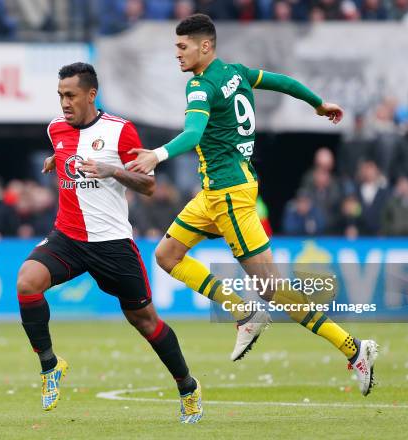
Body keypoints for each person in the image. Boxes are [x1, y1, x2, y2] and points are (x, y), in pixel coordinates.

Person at [129, 14, 378, 396]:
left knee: (272, 288)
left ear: (205, 46)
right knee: (166, 255)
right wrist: (318, 103)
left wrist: (157, 155)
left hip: (230, 197)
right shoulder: (236, 72)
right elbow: (285, 82)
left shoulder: (200, 86)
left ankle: (355, 348)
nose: (176, 54)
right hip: (216, 194)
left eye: (182, 47)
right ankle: (243, 313)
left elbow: (194, 132)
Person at [16, 62, 203, 423]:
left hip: (112, 244)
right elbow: (69, 147)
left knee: (145, 321)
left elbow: (149, 186)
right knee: (27, 284)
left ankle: (187, 386)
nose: (64, 103)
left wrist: (111, 170)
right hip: (67, 237)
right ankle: (50, 366)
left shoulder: (120, 131)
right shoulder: (55, 129)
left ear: (90, 94)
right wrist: (58, 158)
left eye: (70, 95)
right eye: (60, 96)